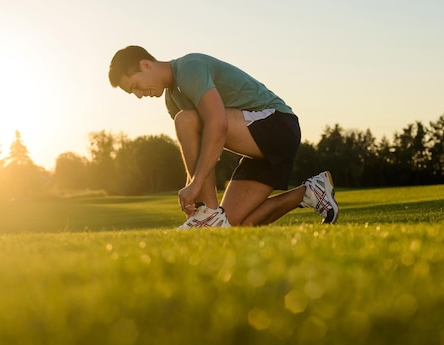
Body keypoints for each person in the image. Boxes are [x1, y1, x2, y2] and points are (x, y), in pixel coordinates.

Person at [108, 45, 338, 228]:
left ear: (146, 65)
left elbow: (217, 125)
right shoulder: (172, 101)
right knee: (232, 225)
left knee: (186, 120)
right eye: (133, 92)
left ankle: (207, 214)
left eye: (136, 86)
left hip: (277, 125)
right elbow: (197, 155)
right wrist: (192, 194)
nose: (138, 95)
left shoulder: (189, 68)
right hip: (257, 149)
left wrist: (197, 186)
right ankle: (311, 192)